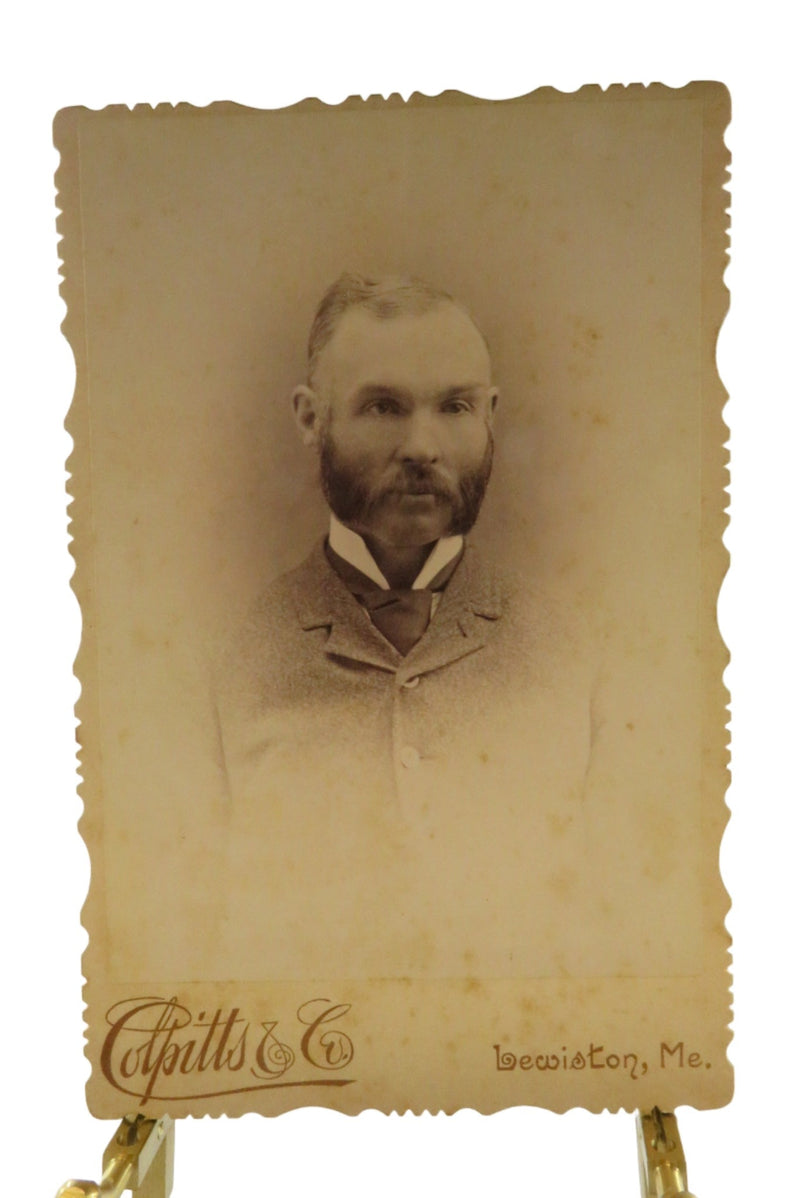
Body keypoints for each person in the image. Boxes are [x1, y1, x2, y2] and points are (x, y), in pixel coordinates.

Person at [213, 274, 598, 978]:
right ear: (310, 418)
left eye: (455, 407)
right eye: (383, 407)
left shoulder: (572, 654)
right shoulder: (229, 657)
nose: (423, 445)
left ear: (490, 417)